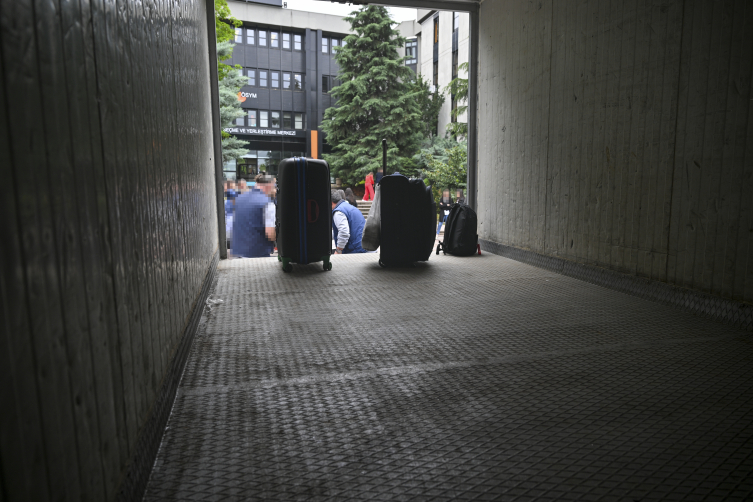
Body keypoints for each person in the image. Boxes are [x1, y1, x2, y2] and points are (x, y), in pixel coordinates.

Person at [232, 175, 276, 257]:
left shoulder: (239, 199)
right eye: (274, 187)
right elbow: (270, 234)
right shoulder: (268, 203)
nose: (275, 190)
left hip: (238, 252)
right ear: (270, 185)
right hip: (258, 254)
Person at [331, 189, 367, 254]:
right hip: (364, 246)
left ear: (331, 203)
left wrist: (338, 250)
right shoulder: (348, 207)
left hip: (356, 251)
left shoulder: (338, 212)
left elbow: (344, 232)